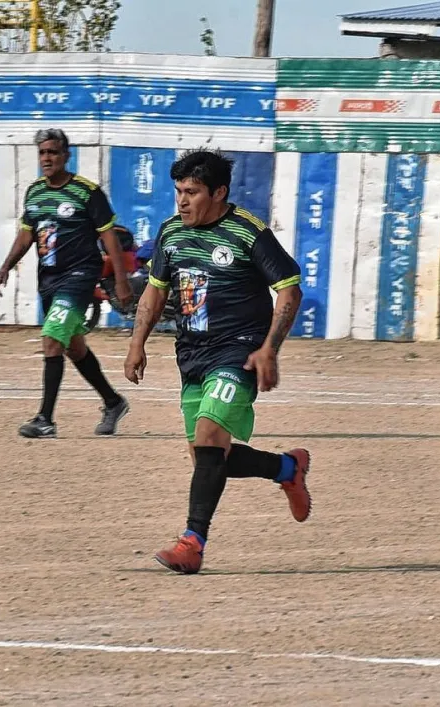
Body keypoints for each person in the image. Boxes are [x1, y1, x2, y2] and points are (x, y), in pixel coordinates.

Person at [124, 149, 310, 575]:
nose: (182, 201)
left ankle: (192, 544)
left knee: (209, 438)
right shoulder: (171, 234)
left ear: (219, 192)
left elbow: (289, 289)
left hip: (238, 351)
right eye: (178, 191)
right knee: (209, 459)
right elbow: (155, 292)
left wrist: (269, 349)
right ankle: (286, 467)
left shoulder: (248, 232)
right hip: (191, 355)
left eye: (192, 192)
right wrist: (137, 344)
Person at [0, 128, 133, 438]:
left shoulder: (87, 192)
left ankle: (45, 419)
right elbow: (27, 233)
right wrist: (7, 264)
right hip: (49, 280)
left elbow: (108, 236)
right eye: (43, 152)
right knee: (72, 346)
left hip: (80, 276)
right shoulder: (35, 192)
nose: (47, 158)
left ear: (66, 156)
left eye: (53, 152)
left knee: (52, 338)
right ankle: (113, 402)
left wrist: (121, 280)